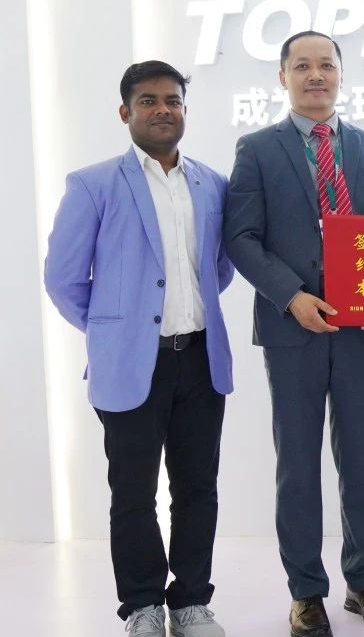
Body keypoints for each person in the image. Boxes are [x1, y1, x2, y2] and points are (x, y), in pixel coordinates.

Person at [224, 31, 364, 635]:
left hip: (360, 332)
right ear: (283, 77)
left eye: (325, 65)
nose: (315, 75)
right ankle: (306, 591)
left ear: (340, 74)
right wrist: (291, 296)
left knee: (359, 460)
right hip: (293, 329)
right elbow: (241, 238)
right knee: (298, 466)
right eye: (301, 66)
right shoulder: (257, 148)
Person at [44, 61, 233, 637]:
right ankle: (143, 606)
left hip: (200, 358)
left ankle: (191, 601)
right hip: (130, 366)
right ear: (125, 112)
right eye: (148, 101)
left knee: (197, 488)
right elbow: (63, 278)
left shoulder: (212, 183)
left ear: (185, 110)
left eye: (172, 100)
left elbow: (219, 269)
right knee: (132, 493)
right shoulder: (93, 184)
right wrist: (114, 331)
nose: (162, 110)